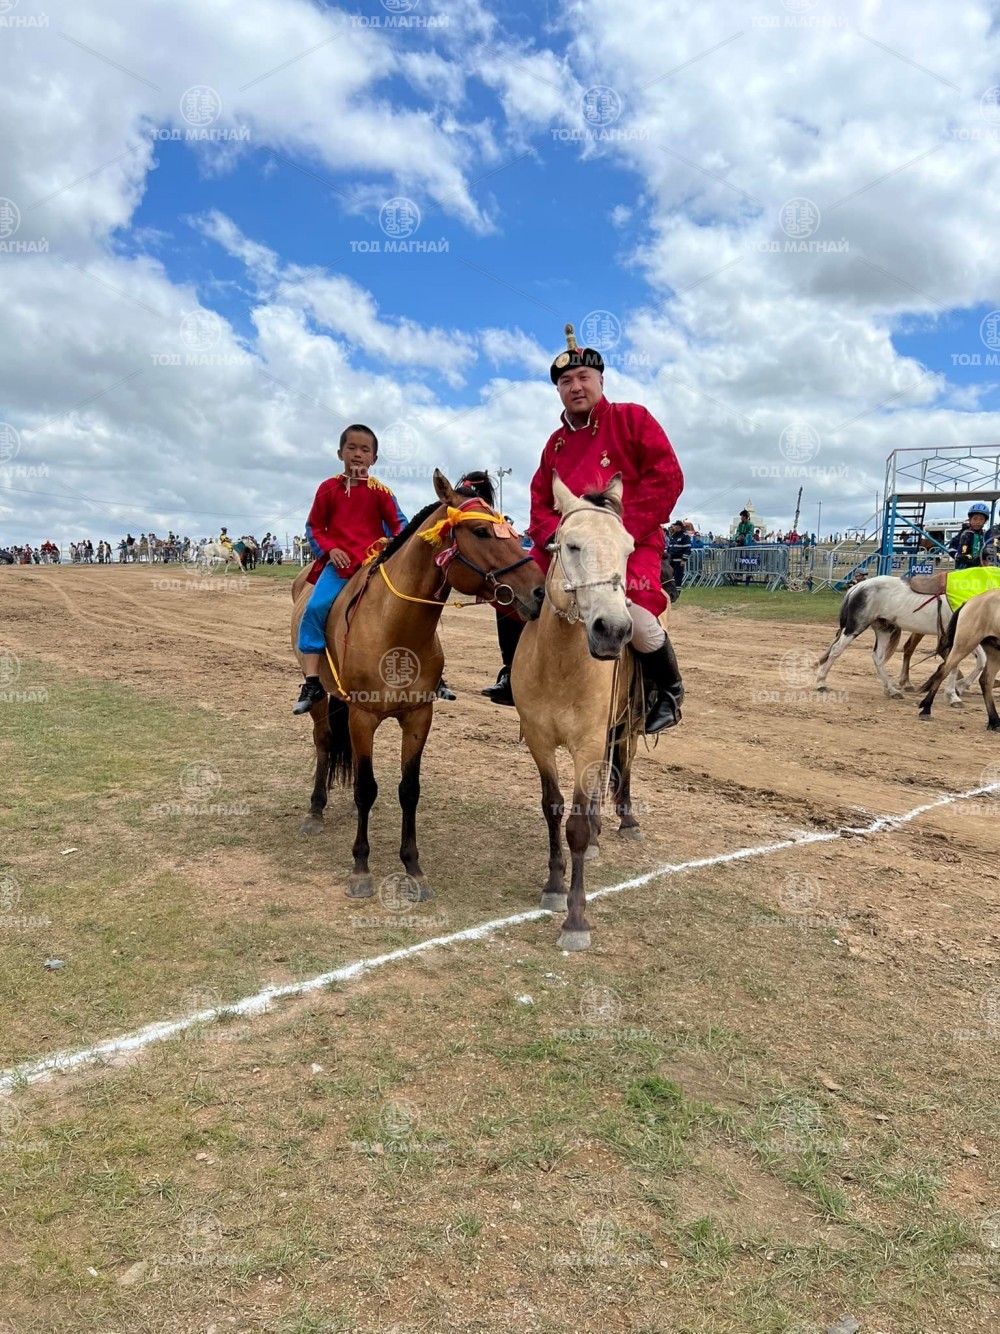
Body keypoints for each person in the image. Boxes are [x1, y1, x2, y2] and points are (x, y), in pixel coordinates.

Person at [482, 323, 684, 733]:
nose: (575, 386)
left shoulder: (633, 419)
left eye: (583, 377)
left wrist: (618, 531)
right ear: (558, 390)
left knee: (637, 614)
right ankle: (511, 673)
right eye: (566, 381)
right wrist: (554, 537)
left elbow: (668, 478)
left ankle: (667, 691)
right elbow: (540, 500)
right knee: (514, 591)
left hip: (629, 542)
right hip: (568, 545)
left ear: (600, 381)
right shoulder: (554, 444)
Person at [293, 424, 408, 715]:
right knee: (315, 608)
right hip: (340, 568)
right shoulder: (328, 488)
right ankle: (312, 681)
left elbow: (401, 526)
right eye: (352, 448)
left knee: (408, 606)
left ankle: (431, 673)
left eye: (365, 450)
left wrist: (392, 542)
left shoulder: (382, 492)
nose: (358, 454)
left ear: (374, 459)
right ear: (340, 453)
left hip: (374, 567)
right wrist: (330, 550)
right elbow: (314, 528)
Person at [951, 503, 990, 570]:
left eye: (981, 519)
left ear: (985, 521)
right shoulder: (964, 533)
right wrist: (959, 556)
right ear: (970, 519)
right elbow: (951, 549)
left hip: (979, 569)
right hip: (963, 569)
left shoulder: (984, 535)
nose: (978, 522)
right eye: (975, 519)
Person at [665, 519, 692, 603]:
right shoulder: (673, 535)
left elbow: (687, 549)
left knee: (678, 578)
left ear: (679, 527)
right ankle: (670, 593)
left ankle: (677, 594)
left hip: (679, 561)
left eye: (675, 526)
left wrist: (683, 560)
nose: (674, 527)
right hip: (671, 561)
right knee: (670, 577)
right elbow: (670, 547)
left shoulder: (685, 536)